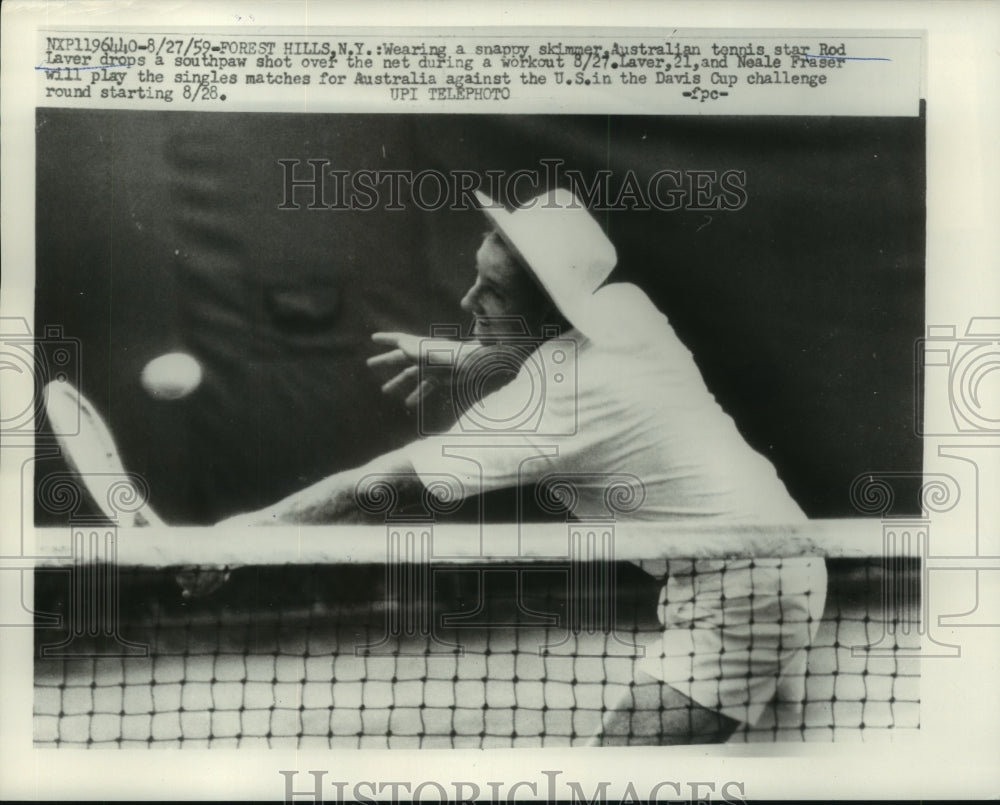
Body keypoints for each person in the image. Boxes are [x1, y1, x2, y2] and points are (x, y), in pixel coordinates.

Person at [219, 188, 827, 745]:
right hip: (781, 548)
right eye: (477, 278)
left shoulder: (553, 406)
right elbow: (554, 359)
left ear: (549, 314)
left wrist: (237, 540)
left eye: (495, 293)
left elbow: (376, 489)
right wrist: (463, 357)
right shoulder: (626, 310)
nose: (467, 300)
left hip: (745, 601)